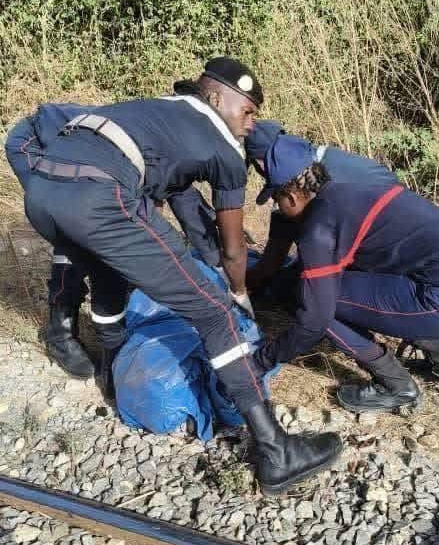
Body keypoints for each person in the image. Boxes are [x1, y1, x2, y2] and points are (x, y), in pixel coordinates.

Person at [6, 57, 342, 494]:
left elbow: (183, 209)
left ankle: (110, 374)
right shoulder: (223, 149)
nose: (251, 123)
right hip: (101, 196)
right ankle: (276, 450)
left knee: (109, 281)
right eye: (248, 111)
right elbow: (233, 246)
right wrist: (237, 295)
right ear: (217, 98)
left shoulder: (155, 110)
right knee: (216, 314)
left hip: (43, 191)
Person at [245, 132, 439, 411]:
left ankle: (395, 385)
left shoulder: (320, 228)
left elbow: (313, 323)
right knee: (332, 286)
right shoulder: (351, 190)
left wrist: (257, 363)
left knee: (314, 301)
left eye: (276, 199)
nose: (279, 209)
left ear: (291, 196)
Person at [6, 112, 222, 379]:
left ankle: (110, 334)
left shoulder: (162, 158)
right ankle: (59, 331)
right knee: (75, 235)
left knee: (108, 243)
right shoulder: (141, 150)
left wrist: (215, 262)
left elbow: (188, 209)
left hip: (87, 165)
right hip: (33, 144)